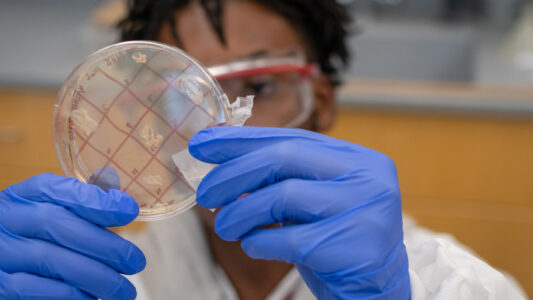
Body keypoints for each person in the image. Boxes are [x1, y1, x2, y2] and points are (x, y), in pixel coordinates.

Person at [0, 0, 527, 299]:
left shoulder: (429, 279)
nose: (218, 129)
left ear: (320, 104)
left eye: (261, 88)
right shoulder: (109, 275)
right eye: (180, 99)